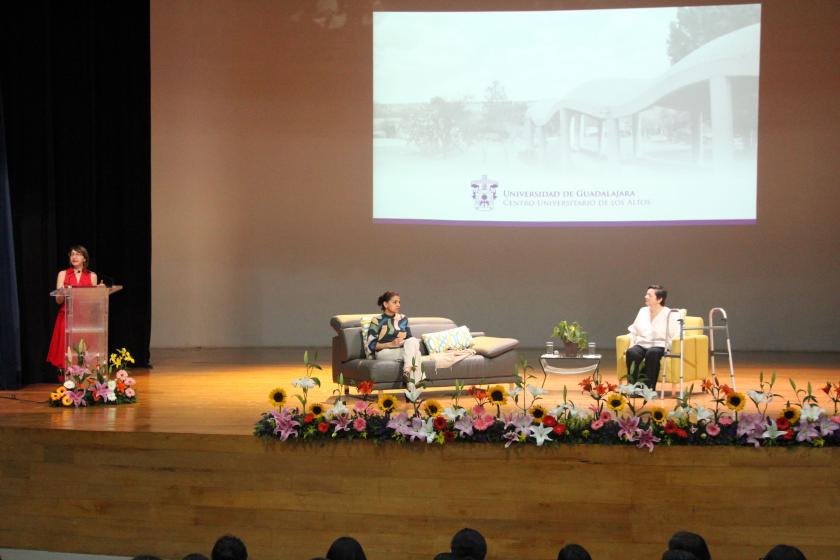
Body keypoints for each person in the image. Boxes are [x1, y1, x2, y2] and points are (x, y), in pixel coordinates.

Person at [46, 245, 101, 369]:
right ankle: (67, 380)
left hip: (84, 319)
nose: (74, 257)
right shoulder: (63, 274)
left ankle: (82, 377)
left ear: (85, 259)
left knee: (83, 350)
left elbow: (93, 302)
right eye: (72, 254)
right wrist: (62, 292)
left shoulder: (92, 276)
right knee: (65, 350)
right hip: (66, 315)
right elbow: (58, 300)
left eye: (78, 254)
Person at [625, 284, 680, 389]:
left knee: (652, 353)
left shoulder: (670, 314)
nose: (646, 297)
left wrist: (669, 347)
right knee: (632, 353)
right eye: (646, 294)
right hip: (642, 343)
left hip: (659, 345)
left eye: (649, 295)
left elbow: (676, 334)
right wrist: (631, 345)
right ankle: (633, 388)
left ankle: (648, 389)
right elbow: (634, 331)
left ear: (659, 299)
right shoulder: (643, 311)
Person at [367, 291, 425, 383]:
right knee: (416, 355)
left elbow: (409, 339)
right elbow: (371, 345)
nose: (398, 305)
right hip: (384, 352)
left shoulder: (403, 318)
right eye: (395, 302)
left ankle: (407, 371)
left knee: (413, 341)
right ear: (385, 304)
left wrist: (403, 343)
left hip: (402, 350)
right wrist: (390, 344)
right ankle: (413, 395)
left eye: (399, 302)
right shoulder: (377, 320)